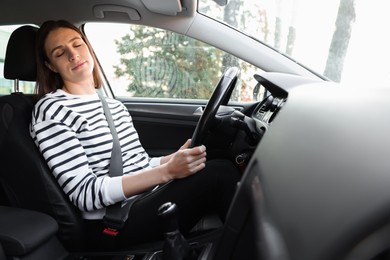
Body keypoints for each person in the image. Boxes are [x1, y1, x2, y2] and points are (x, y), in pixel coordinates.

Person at [30, 20, 241, 249]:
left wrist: (170, 159)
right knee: (220, 174)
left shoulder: (113, 106)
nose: (73, 55)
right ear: (50, 66)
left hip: (142, 200)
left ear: (88, 47)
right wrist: (167, 171)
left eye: (77, 44)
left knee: (217, 156)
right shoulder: (52, 110)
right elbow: (85, 194)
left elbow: (138, 163)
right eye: (60, 53)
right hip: (114, 221)